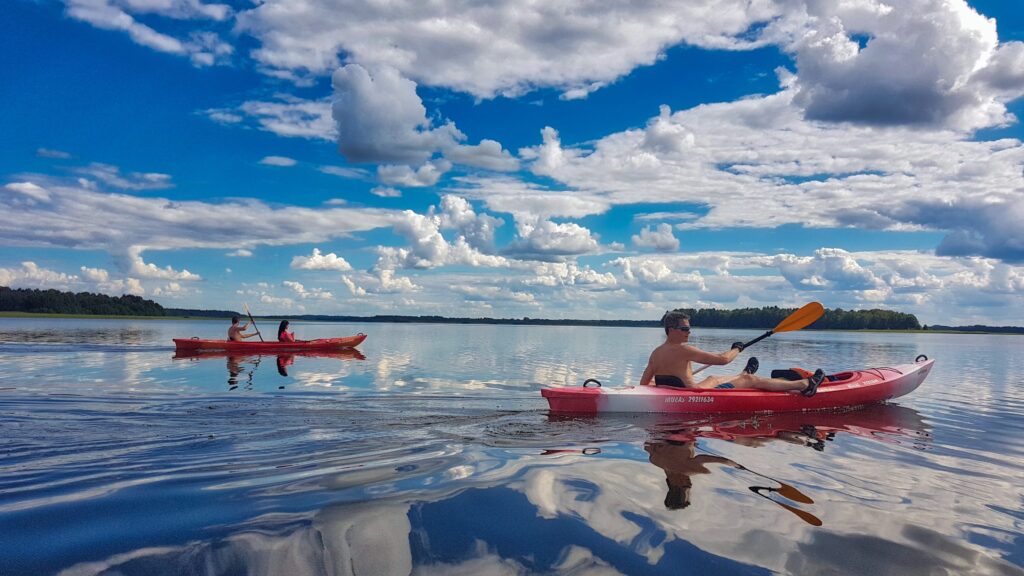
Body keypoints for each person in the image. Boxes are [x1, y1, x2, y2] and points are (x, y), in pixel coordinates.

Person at [639, 309, 825, 396]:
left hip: (683, 392)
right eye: (685, 329)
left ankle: (743, 373)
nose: (689, 332)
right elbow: (723, 360)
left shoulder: (656, 353)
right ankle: (804, 384)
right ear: (671, 329)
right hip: (697, 396)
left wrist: (660, 384)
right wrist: (737, 348)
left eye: (689, 328)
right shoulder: (685, 350)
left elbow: (643, 383)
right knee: (750, 381)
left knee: (712, 377)